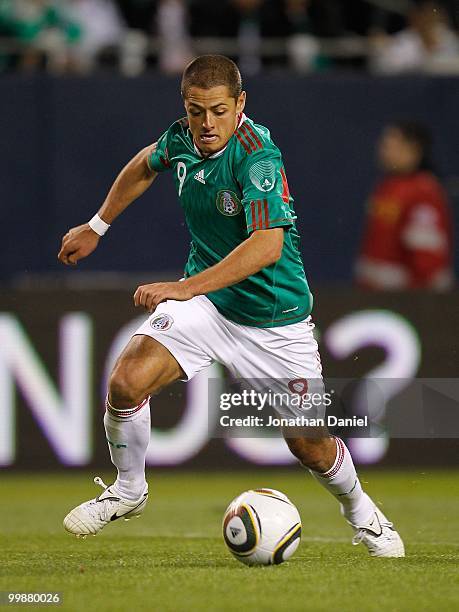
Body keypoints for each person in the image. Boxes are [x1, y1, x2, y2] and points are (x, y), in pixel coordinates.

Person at [58, 54, 404, 557]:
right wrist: (97, 226)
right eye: (196, 111)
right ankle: (129, 490)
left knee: (309, 443)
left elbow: (267, 246)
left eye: (218, 111)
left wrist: (186, 286)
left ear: (240, 103)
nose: (206, 124)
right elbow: (144, 164)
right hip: (211, 308)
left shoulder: (257, 153)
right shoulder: (181, 137)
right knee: (125, 382)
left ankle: (364, 515)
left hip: (275, 321)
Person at [355, 120, 453, 290]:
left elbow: (427, 257)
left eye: (392, 145)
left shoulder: (423, 191)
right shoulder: (386, 187)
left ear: (413, 149)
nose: (383, 150)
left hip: (408, 299)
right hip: (377, 295)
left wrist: (423, 301)